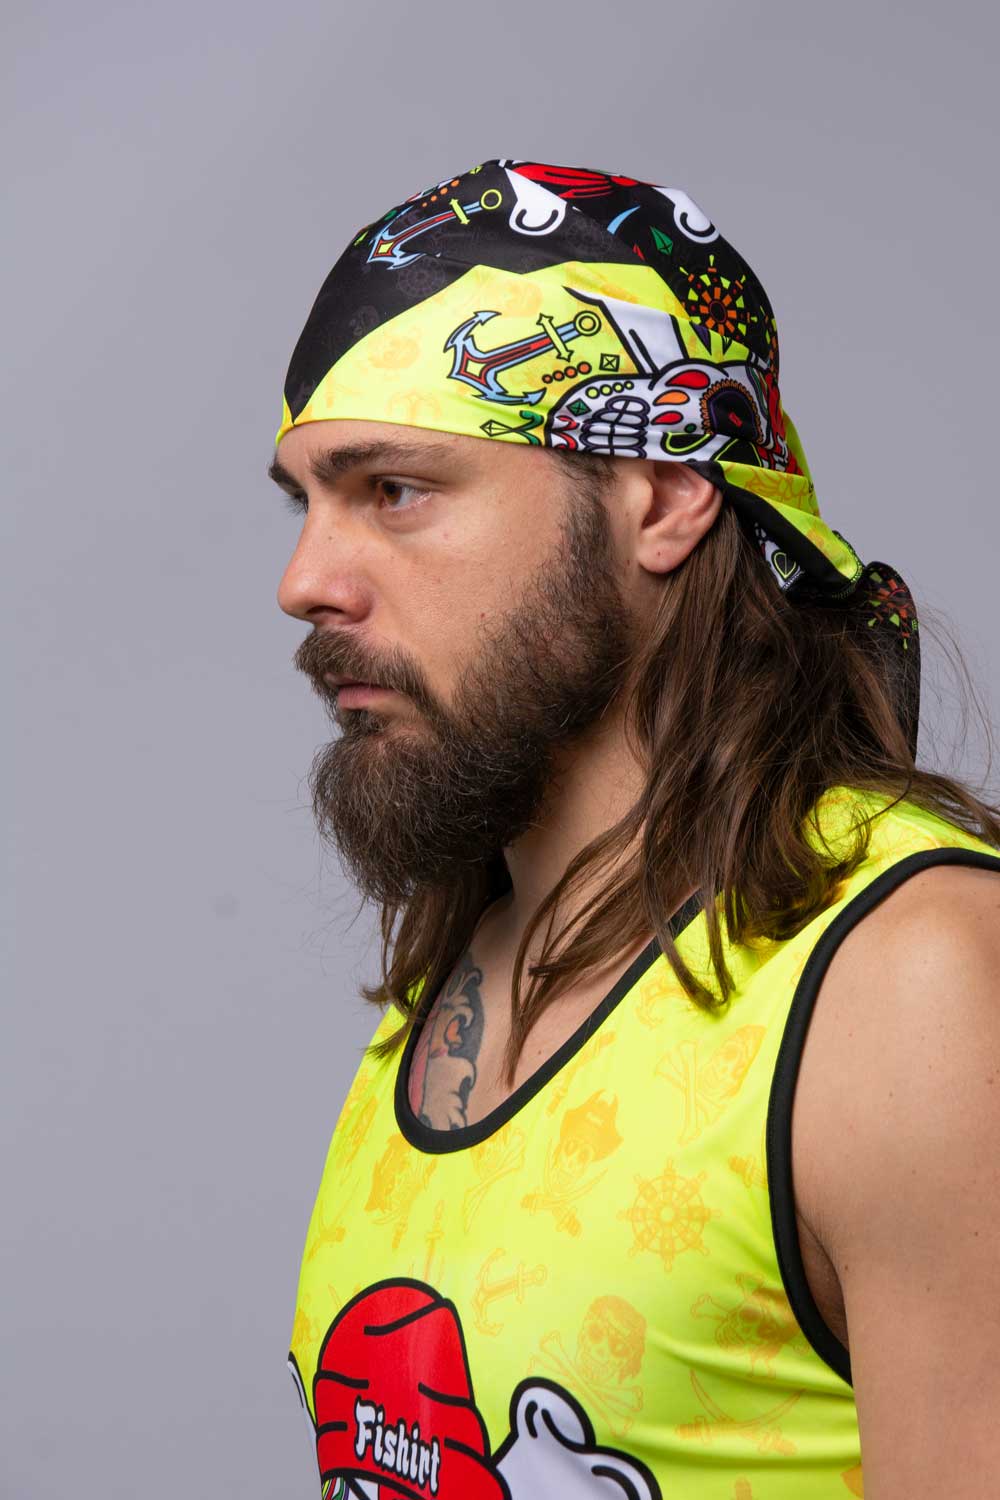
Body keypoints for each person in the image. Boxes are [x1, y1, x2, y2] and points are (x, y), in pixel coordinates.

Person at [269, 158, 1000, 1498]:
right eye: (305, 500)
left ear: (661, 496)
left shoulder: (913, 982)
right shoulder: (454, 977)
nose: (306, 580)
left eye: (395, 490)